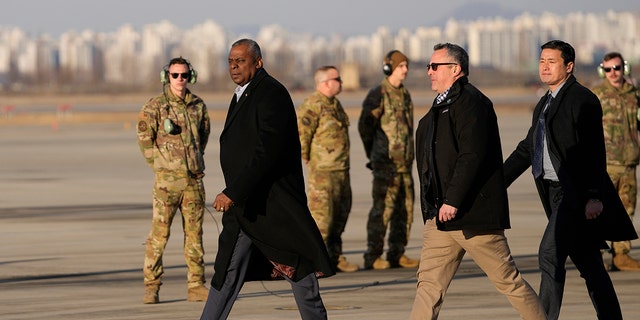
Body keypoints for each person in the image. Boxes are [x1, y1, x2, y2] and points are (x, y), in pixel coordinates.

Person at [199, 39, 335, 320]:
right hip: (248, 205)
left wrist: (233, 191)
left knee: (298, 264)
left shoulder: (271, 93)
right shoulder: (243, 93)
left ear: (258, 62)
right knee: (228, 269)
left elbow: (266, 151)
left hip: (272, 203)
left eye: (241, 61)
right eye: (230, 61)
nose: (234, 66)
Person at [503, 40, 638, 320]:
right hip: (554, 194)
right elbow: (528, 148)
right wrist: (496, 182)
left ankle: (543, 317)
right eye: (542, 61)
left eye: (552, 62)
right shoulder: (544, 102)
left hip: (574, 195)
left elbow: (594, 152)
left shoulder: (583, 99)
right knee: (590, 266)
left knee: (549, 254)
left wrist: (593, 196)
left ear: (569, 66)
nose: (544, 66)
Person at [410, 43, 546, 320]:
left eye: (435, 66)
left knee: (508, 281)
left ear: (455, 69)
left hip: (472, 216)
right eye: (429, 66)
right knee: (428, 287)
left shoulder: (472, 103)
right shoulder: (440, 106)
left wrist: (453, 200)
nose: (429, 72)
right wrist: (433, 207)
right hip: (441, 220)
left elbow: (472, 156)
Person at [136, 57, 211, 304]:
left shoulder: (198, 106)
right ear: (166, 77)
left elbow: (203, 137)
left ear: (192, 77)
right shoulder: (155, 106)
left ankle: (196, 284)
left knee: (194, 235)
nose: (180, 80)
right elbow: (144, 141)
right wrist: (161, 166)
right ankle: (151, 286)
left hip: (193, 182)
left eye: (185, 75)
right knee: (159, 235)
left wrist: (191, 163)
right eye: (175, 75)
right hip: (167, 184)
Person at [358, 49, 418, 270]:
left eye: (406, 66)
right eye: (401, 66)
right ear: (389, 68)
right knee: (382, 211)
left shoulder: (405, 94)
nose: (405, 70)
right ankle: (372, 255)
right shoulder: (378, 94)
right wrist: (374, 153)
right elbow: (365, 127)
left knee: (405, 210)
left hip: (404, 164)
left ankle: (397, 253)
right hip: (386, 164)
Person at [297, 66, 358, 273]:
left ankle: (334, 257)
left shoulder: (335, 105)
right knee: (322, 219)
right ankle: (315, 262)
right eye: (337, 79)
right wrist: (305, 158)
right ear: (325, 83)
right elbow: (302, 135)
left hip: (341, 169)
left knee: (340, 216)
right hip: (323, 172)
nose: (341, 82)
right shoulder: (313, 104)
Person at [591, 52, 640, 271]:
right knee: (600, 210)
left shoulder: (634, 94)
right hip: (606, 164)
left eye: (617, 68)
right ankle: (598, 254)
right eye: (609, 69)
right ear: (603, 70)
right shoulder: (596, 94)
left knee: (627, 210)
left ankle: (621, 255)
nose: (614, 73)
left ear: (624, 69)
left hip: (629, 161)